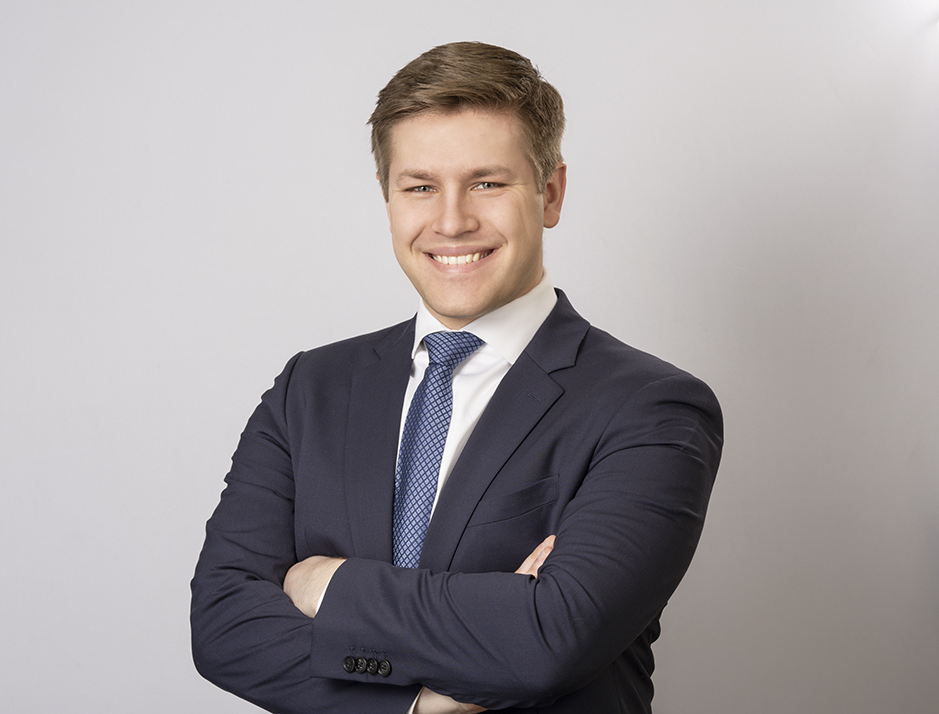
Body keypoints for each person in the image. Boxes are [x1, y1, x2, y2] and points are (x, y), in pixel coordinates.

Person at [190, 41, 723, 714]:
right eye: (420, 187)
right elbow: (224, 625)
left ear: (550, 193)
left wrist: (329, 584)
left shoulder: (652, 408)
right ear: (388, 198)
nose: (451, 221)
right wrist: (417, 705)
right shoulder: (311, 389)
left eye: (486, 183)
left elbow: (549, 638)